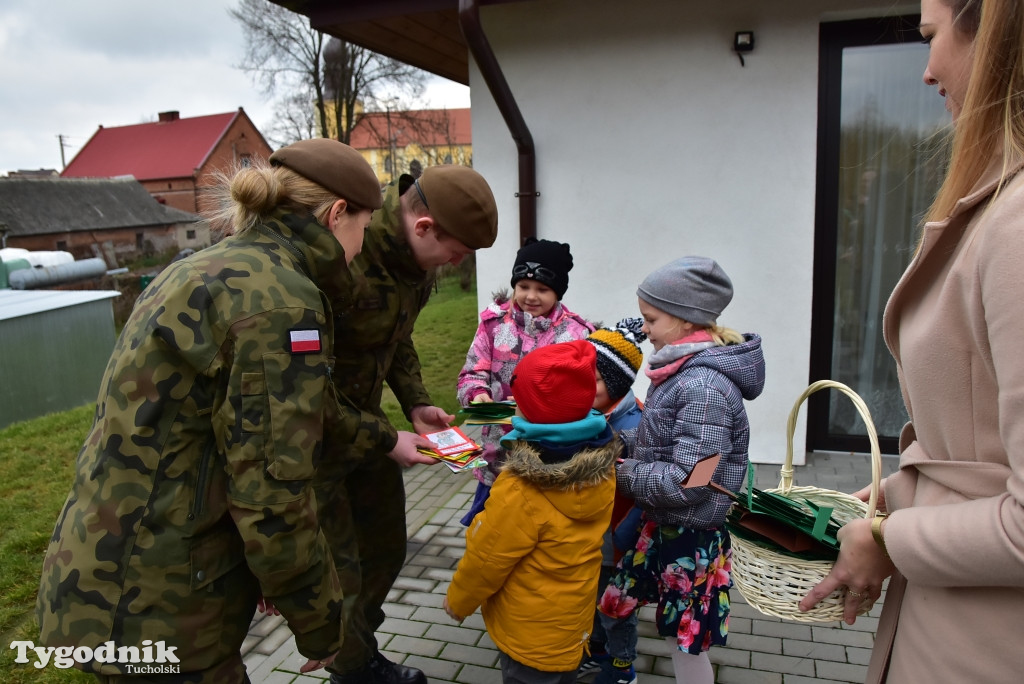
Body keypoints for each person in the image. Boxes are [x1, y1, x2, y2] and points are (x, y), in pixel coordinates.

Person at [35, 139, 383, 682]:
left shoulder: (202, 269)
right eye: (364, 227)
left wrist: (387, 440)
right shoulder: (280, 301)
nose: (363, 247)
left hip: (100, 574)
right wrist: (319, 621)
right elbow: (272, 488)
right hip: (165, 605)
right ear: (338, 214)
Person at [800, 1, 1024, 681]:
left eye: (931, 37)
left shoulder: (1016, 228)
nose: (926, 71)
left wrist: (889, 539)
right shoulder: (1000, 205)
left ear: (995, 29)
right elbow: (983, 442)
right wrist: (905, 492)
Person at [317, 166, 499, 684]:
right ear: (422, 227)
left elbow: (396, 341)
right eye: (456, 252)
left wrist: (416, 405)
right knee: (343, 566)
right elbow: (301, 383)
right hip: (313, 441)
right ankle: (352, 669)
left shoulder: (414, 269)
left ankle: (358, 647)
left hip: (369, 434)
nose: (455, 264)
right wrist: (386, 437)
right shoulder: (342, 262)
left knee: (386, 546)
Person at [598, 257, 765, 684]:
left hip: (690, 537)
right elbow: (667, 442)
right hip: (665, 524)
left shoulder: (704, 388)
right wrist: (618, 444)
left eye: (650, 319)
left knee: (684, 640)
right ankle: (612, 662)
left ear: (684, 317)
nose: (645, 329)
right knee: (621, 603)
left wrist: (621, 472)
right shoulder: (679, 374)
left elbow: (691, 480)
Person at [443, 340, 620, 684]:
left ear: (532, 412)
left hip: (529, 633)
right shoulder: (601, 463)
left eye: (518, 400)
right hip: (570, 627)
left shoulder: (522, 487)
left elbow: (488, 556)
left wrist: (459, 600)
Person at [456, 237, 594, 525]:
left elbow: (585, 393)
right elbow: (473, 371)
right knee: (489, 531)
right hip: (498, 453)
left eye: (542, 289)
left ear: (558, 291)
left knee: (535, 532)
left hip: (549, 455)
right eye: (523, 286)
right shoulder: (494, 325)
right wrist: (476, 393)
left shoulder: (577, 334)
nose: (531, 296)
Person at [578, 318, 646, 684]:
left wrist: (624, 535)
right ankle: (599, 652)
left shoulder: (633, 426)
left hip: (618, 534)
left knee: (616, 605)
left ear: (616, 384)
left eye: (595, 379)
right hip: (594, 530)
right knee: (595, 595)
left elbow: (641, 486)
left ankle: (623, 668)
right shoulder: (595, 411)